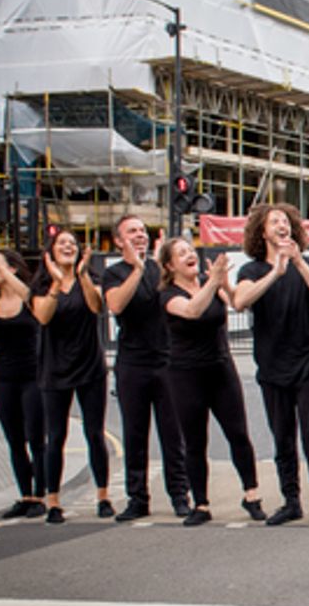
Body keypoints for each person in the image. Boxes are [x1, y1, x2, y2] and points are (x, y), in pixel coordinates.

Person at [234, 203, 309, 527]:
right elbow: (240, 300)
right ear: (262, 232)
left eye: (286, 221)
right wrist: (274, 272)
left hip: (308, 360)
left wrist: (296, 262)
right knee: (282, 438)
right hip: (272, 365)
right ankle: (291, 500)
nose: (281, 226)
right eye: (273, 221)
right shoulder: (251, 271)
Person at [159, 238, 266, 526]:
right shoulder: (168, 294)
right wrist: (212, 283)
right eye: (181, 253)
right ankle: (201, 503)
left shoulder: (212, 283)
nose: (189, 255)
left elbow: (236, 304)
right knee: (195, 441)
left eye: (190, 251)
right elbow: (192, 310)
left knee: (238, 434)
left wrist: (224, 283)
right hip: (185, 374)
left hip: (220, 368)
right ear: (170, 265)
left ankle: (251, 494)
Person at [102, 215, 191, 521]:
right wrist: (137, 269)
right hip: (132, 364)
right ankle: (137, 498)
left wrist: (155, 263)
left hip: (166, 361)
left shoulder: (159, 270)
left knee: (172, 433)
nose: (139, 235)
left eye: (142, 231)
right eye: (131, 232)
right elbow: (116, 305)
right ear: (118, 240)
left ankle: (180, 494)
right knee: (135, 434)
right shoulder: (114, 273)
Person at [31, 229, 111, 523]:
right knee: (56, 436)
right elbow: (43, 317)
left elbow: (96, 306)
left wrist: (82, 275)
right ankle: (53, 500)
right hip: (54, 369)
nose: (68, 246)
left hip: (90, 366)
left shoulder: (90, 279)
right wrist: (56, 281)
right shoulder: (41, 285)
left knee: (94, 433)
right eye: (61, 243)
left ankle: (103, 495)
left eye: (72, 244)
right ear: (50, 251)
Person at [0, 244, 45, 517]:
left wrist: (2, 268)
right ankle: (25, 495)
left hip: (33, 375)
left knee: (36, 438)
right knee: (15, 439)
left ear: (12, 268)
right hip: (4, 377)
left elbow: (29, 295)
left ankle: (41, 495)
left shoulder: (28, 298)